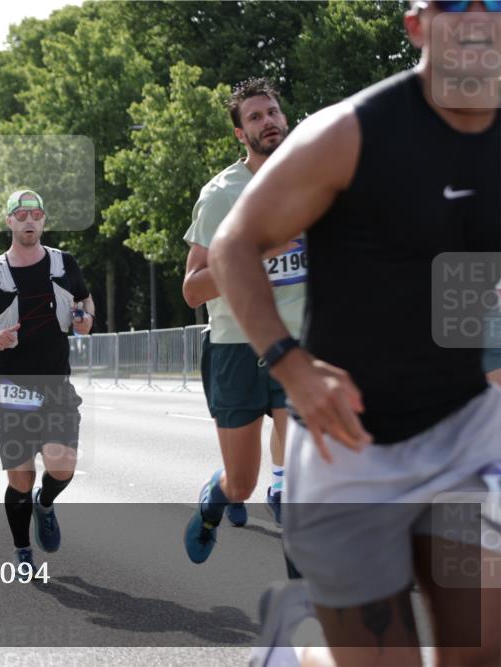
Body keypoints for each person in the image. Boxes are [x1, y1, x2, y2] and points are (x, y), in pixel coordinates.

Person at [210, 2, 500, 665]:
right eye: (455, 2)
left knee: (482, 645)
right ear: (417, 25)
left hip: (464, 436)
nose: (478, 15)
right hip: (354, 445)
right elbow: (234, 245)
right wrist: (289, 363)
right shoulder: (350, 133)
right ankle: (306, 645)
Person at [180, 77, 301, 564]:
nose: (266, 121)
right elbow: (192, 289)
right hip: (236, 346)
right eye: (254, 117)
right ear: (240, 134)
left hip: (299, 345)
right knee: (241, 479)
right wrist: (259, 250)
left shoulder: (314, 179)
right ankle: (215, 501)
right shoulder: (221, 194)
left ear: (284, 118)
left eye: (271, 112)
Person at [0, 190, 94, 572]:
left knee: (61, 465)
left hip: (55, 382)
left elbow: (85, 302)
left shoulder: (63, 262)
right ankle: (23, 549)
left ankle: (46, 503)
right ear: (9, 221)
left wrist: (86, 319)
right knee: (20, 477)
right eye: (20, 215)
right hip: (11, 386)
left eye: (35, 214)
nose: (28, 221)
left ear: (43, 220)